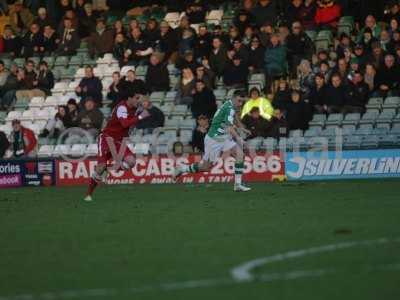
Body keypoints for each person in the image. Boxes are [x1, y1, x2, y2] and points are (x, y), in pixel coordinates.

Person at [173, 90, 252, 192]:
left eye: (242, 102)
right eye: (239, 101)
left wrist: (242, 127)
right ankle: (182, 169)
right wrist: (239, 138)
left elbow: (235, 116)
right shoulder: (229, 108)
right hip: (214, 139)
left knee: (240, 155)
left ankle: (238, 184)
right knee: (206, 167)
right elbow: (229, 127)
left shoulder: (231, 105)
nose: (240, 104)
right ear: (234, 98)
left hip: (223, 137)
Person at [85, 93, 151, 201]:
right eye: (136, 98)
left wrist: (145, 105)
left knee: (131, 162)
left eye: (139, 98)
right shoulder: (122, 107)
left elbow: (147, 106)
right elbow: (124, 124)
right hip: (107, 138)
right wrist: (140, 117)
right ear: (129, 97)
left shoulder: (135, 107)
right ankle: (89, 194)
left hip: (119, 141)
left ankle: (109, 167)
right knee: (100, 168)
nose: (138, 100)